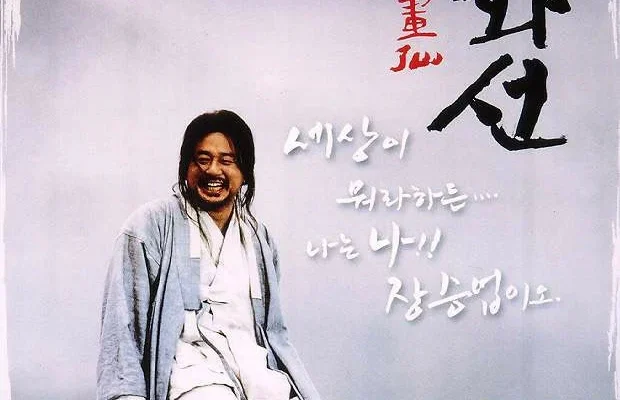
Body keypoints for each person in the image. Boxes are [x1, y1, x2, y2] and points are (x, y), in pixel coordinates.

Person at [97, 110, 321, 400]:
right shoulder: (149, 226)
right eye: (202, 159)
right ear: (186, 168)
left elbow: (274, 332)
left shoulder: (260, 241)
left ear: (244, 173)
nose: (213, 170)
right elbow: (121, 328)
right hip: (190, 383)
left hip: (258, 380)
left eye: (227, 161)